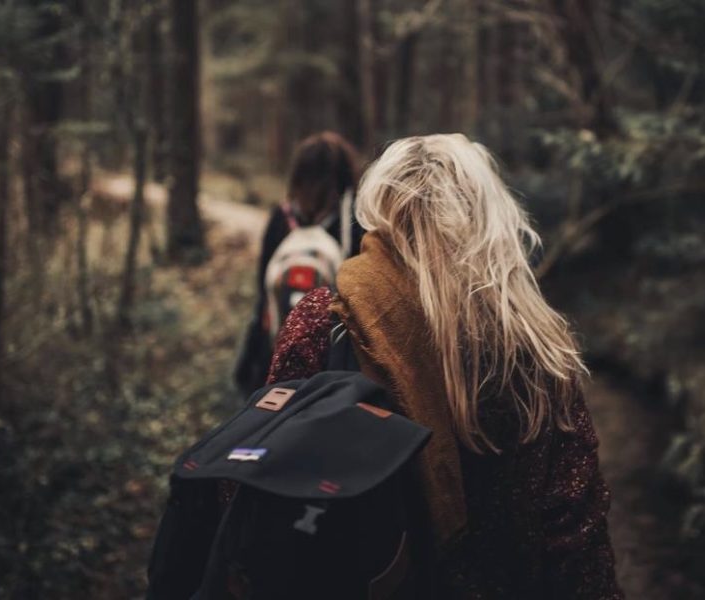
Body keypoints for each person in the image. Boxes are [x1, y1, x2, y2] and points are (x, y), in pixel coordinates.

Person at [265, 134, 623, 598]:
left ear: (380, 210)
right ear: (488, 218)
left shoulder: (324, 321)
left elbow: (266, 483)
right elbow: (576, 533)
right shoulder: (535, 348)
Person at [233, 131, 363, 395]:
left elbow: (263, 290)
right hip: (333, 363)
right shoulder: (353, 224)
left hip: (275, 355)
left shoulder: (281, 218)